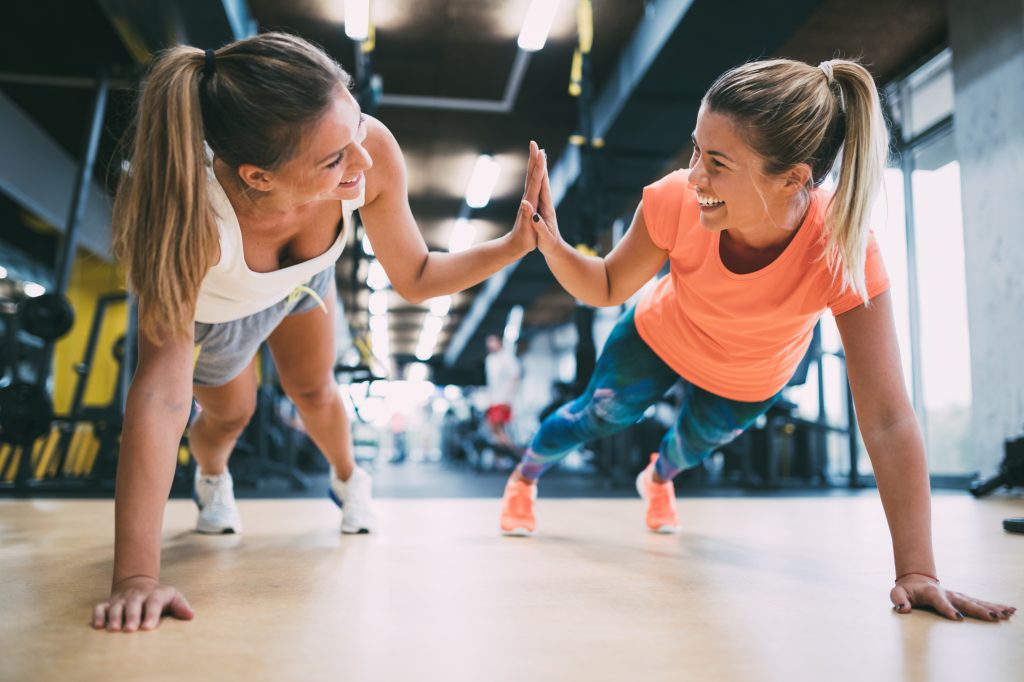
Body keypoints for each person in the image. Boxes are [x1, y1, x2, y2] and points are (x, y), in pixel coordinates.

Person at [501, 58, 1017, 622]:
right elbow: (604, 285)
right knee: (597, 416)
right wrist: (551, 246)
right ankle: (524, 477)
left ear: (794, 178)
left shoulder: (842, 248)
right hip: (661, 334)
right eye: (696, 150)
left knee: (685, 451)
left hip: (751, 375)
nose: (694, 175)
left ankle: (656, 478)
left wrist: (916, 570)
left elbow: (888, 417)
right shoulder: (675, 199)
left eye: (717, 164)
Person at [94, 32, 543, 632]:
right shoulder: (185, 219)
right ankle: (212, 476)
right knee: (231, 414)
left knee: (316, 393)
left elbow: (416, 275)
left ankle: (351, 479)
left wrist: (515, 244)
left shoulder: (367, 147)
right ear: (258, 177)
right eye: (333, 161)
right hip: (216, 308)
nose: (363, 160)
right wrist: (136, 579)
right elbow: (160, 393)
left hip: (302, 281)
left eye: (355, 126)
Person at [484, 333, 521, 451]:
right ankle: (506, 452)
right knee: (494, 428)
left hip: (504, 399)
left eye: (493, 341)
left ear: (499, 342)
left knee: (499, 427)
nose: (490, 344)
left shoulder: (507, 357)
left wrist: (508, 398)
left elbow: (515, 377)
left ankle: (513, 451)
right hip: (493, 399)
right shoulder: (489, 360)